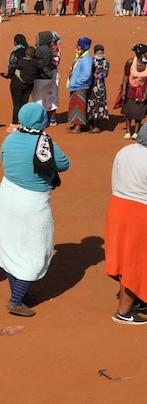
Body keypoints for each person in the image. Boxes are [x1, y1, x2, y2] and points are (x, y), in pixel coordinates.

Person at [0, 103, 70, 317]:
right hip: (33, 202)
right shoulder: (45, 142)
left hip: (8, 196)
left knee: (12, 246)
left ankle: (20, 293)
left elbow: (3, 160)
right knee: (37, 249)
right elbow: (64, 164)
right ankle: (16, 300)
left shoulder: (9, 139)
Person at [105, 124, 147, 324]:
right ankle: (123, 312)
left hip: (117, 206)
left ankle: (137, 299)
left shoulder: (125, 151)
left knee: (125, 258)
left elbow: (114, 178)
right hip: (139, 213)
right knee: (136, 263)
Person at [66, 37, 94, 134]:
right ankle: (75, 124)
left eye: (78, 45)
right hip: (76, 86)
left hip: (80, 86)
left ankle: (78, 128)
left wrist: (77, 81)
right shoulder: (81, 56)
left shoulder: (86, 58)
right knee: (74, 106)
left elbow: (86, 74)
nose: (76, 46)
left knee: (79, 106)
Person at [121, 44, 147, 139]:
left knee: (139, 111)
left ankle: (136, 132)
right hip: (130, 89)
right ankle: (128, 131)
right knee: (128, 111)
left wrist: (145, 94)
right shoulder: (130, 62)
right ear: (142, 54)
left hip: (142, 90)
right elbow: (126, 76)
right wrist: (124, 90)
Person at [87, 44, 109, 134]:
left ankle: (97, 126)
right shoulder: (91, 61)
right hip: (91, 86)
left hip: (100, 87)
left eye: (101, 53)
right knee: (91, 104)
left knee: (99, 105)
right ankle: (90, 124)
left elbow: (105, 73)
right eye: (98, 53)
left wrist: (98, 75)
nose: (100, 55)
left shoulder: (106, 62)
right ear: (95, 53)